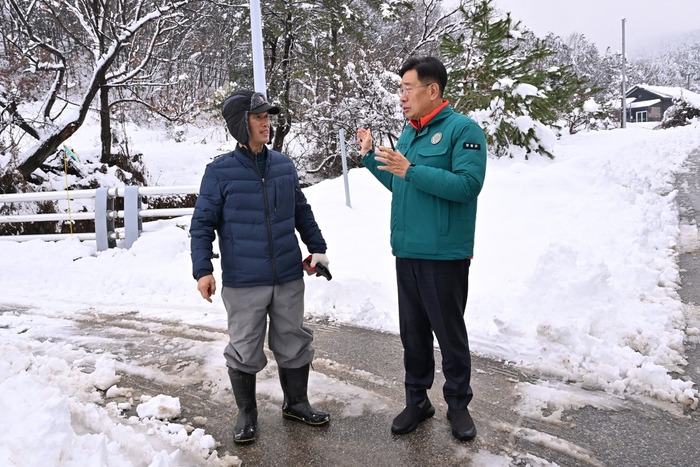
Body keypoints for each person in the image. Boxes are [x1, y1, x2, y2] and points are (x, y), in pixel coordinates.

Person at [356, 56, 486, 441]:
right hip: (407, 252)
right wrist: (369, 157)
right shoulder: (409, 133)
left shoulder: (464, 130)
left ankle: (458, 405)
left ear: (432, 90)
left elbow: (467, 186)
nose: (402, 97)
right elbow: (403, 184)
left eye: (407, 88)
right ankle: (417, 400)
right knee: (412, 335)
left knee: (449, 335)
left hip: (444, 255)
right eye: (400, 89)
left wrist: (410, 169)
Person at [190, 89, 331, 444]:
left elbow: (301, 211)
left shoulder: (284, 166)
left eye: (268, 116)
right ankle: (247, 412)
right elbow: (202, 224)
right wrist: (203, 269)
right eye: (258, 117)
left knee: (294, 339)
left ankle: (296, 403)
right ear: (241, 124)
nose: (266, 122)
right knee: (245, 345)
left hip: (286, 274)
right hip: (244, 279)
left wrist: (318, 248)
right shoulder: (219, 172)